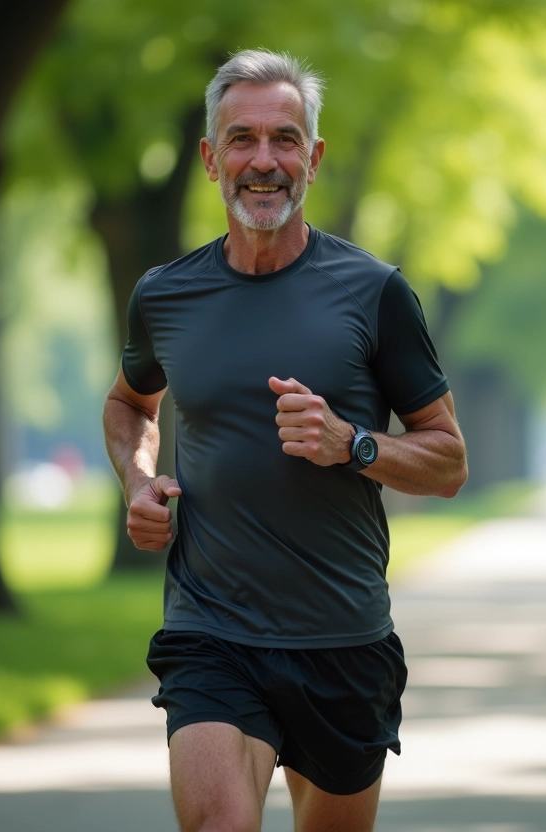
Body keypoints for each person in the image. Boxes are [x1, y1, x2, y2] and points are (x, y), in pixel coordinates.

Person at [102, 49, 467, 832]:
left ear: (314, 157)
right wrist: (138, 481)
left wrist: (353, 444)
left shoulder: (375, 292)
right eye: (241, 139)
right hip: (211, 629)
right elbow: (131, 404)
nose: (262, 161)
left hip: (342, 638)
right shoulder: (165, 295)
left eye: (284, 139)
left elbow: (448, 461)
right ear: (209, 158)